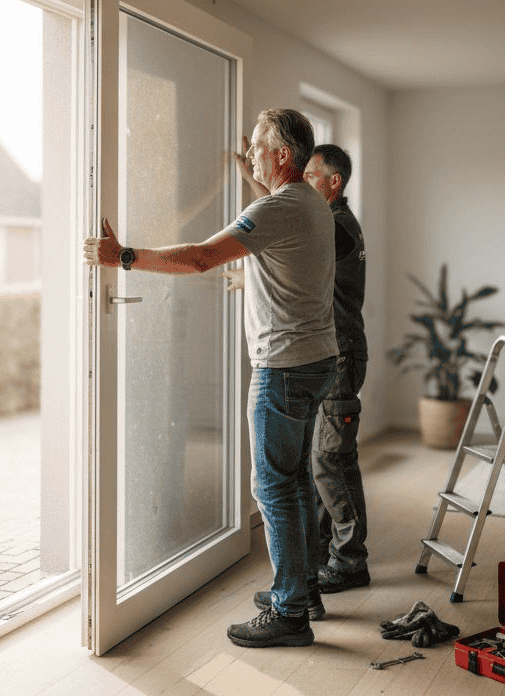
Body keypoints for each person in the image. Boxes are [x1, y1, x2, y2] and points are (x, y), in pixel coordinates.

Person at [84, 108, 336, 649]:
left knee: (271, 485)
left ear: (283, 156)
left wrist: (122, 256)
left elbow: (200, 258)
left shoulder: (275, 208)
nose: (250, 154)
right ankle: (301, 589)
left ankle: (291, 612)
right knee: (291, 481)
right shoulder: (311, 201)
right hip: (316, 360)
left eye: (259, 147)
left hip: (285, 367)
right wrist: (252, 171)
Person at [233, 144, 370, 620]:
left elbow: (296, 241)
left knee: (330, 462)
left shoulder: (338, 226)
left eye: (311, 176)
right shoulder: (329, 220)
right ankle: (303, 580)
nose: (304, 185)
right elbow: (289, 244)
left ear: (333, 182)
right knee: (309, 470)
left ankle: (349, 562)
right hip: (332, 350)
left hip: (333, 351)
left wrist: (263, 192)